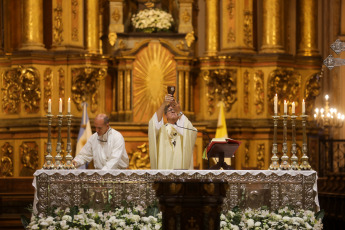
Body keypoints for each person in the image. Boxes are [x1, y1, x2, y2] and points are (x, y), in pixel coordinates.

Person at [148, 94, 197, 169]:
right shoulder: (161, 129)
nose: (173, 111)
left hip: (181, 170)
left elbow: (191, 132)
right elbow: (153, 123)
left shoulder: (184, 126)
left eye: (174, 110)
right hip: (164, 169)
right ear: (165, 115)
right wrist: (164, 103)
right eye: (170, 110)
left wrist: (179, 111)